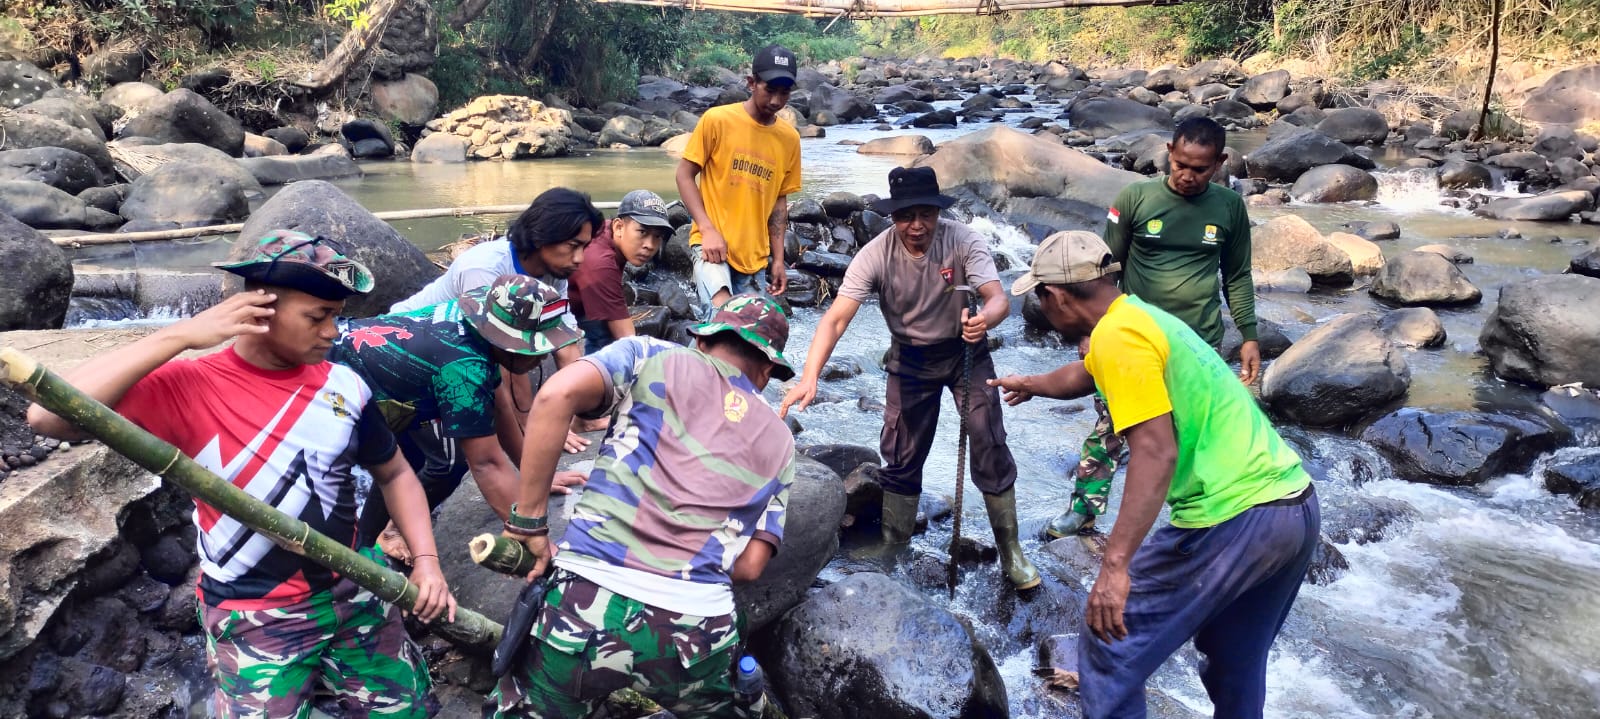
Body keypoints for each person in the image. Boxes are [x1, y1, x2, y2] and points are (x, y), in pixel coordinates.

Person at [27, 231, 457, 718]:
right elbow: (48, 417)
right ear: (258, 309)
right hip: (255, 613)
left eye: (337, 316)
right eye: (318, 317)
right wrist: (179, 336)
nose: (332, 332)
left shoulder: (345, 385)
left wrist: (426, 560)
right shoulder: (189, 386)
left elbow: (396, 473)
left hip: (359, 588)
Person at [992, 230, 1318, 719]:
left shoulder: (1118, 338)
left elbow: (1155, 451)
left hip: (1234, 516)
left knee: (1108, 641)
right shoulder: (1139, 316)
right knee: (1236, 660)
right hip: (1293, 507)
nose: (1041, 305)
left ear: (1056, 296)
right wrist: (1032, 384)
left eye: (1039, 294)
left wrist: (1115, 566)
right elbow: (1085, 374)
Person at [488, 295, 798, 719]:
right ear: (767, 371)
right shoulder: (781, 441)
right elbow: (748, 569)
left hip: (584, 609)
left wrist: (530, 524)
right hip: (696, 631)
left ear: (704, 340)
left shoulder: (649, 353)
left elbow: (554, 396)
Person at [779, 166, 1040, 590]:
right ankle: (893, 541)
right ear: (892, 216)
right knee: (900, 451)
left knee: (987, 437)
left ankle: (1011, 550)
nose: (916, 225)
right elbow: (836, 319)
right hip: (910, 357)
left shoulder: (963, 240)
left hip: (965, 354)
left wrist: (983, 320)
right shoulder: (875, 254)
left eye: (925, 214)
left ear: (938, 212)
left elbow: (997, 299)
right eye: (905, 215)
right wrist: (810, 377)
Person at [1045, 116, 1261, 539]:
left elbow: (1237, 275)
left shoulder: (1229, 207)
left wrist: (1249, 334)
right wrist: (1092, 332)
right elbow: (1103, 273)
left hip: (1198, 341)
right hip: (1131, 341)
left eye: (1200, 168)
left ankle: (1200, 517)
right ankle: (1084, 509)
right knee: (1110, 428)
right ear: (1168, 152)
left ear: (1219, 163)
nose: (1187, 175)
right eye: (1180, 164)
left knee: (1196, 434)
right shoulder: (1134, 199)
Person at [328, 274, 587, 559]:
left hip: (383, 382)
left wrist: (532, 479)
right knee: (339, 493)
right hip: (332, 386)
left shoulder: (478, 321)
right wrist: (529, 531)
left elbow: (500, 407)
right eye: (537, 349)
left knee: (404, 462)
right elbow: (486, 463)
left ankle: (375, 538)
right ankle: (354, 557)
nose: (542, 358)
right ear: (506, 340)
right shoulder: (465, 366)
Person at [394, 187, 601, 453]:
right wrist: (533, 430)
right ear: (542, 236)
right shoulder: (485, 268)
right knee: (447, 461)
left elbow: (566, 343)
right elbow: (506, 358)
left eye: (584, 247)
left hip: (461, 351)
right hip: (410, 346)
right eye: (573, 246)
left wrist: (583, 414)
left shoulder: (555, 272)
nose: (580, 259)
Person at [676, 44, 802, 314]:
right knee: (721, 322)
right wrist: (707, 229)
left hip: (754, 259)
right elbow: (684, 175)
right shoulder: (718, 120)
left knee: (751, 342)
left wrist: (777, 259)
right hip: (711, 247)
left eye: (785, 93)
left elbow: (780, 201)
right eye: (770, 90)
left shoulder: (789, 139)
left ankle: (683, 358)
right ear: (751, 82)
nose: (777, 101)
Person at [568, 189, 672, 353]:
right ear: (618, 227)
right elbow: (627, 338)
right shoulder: (600, 264)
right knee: (604, 338)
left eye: (657, 236)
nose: (650, 245)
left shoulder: (608, 230)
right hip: (552, 308)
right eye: (642, 232)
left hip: (579, 296)